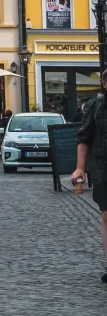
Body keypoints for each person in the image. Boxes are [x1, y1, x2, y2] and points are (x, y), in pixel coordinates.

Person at [71, 79, 107, 283]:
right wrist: (80, 168)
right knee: (106, 215)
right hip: (103, 167)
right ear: (105, 83)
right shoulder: (95, 106)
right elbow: (83, 138)